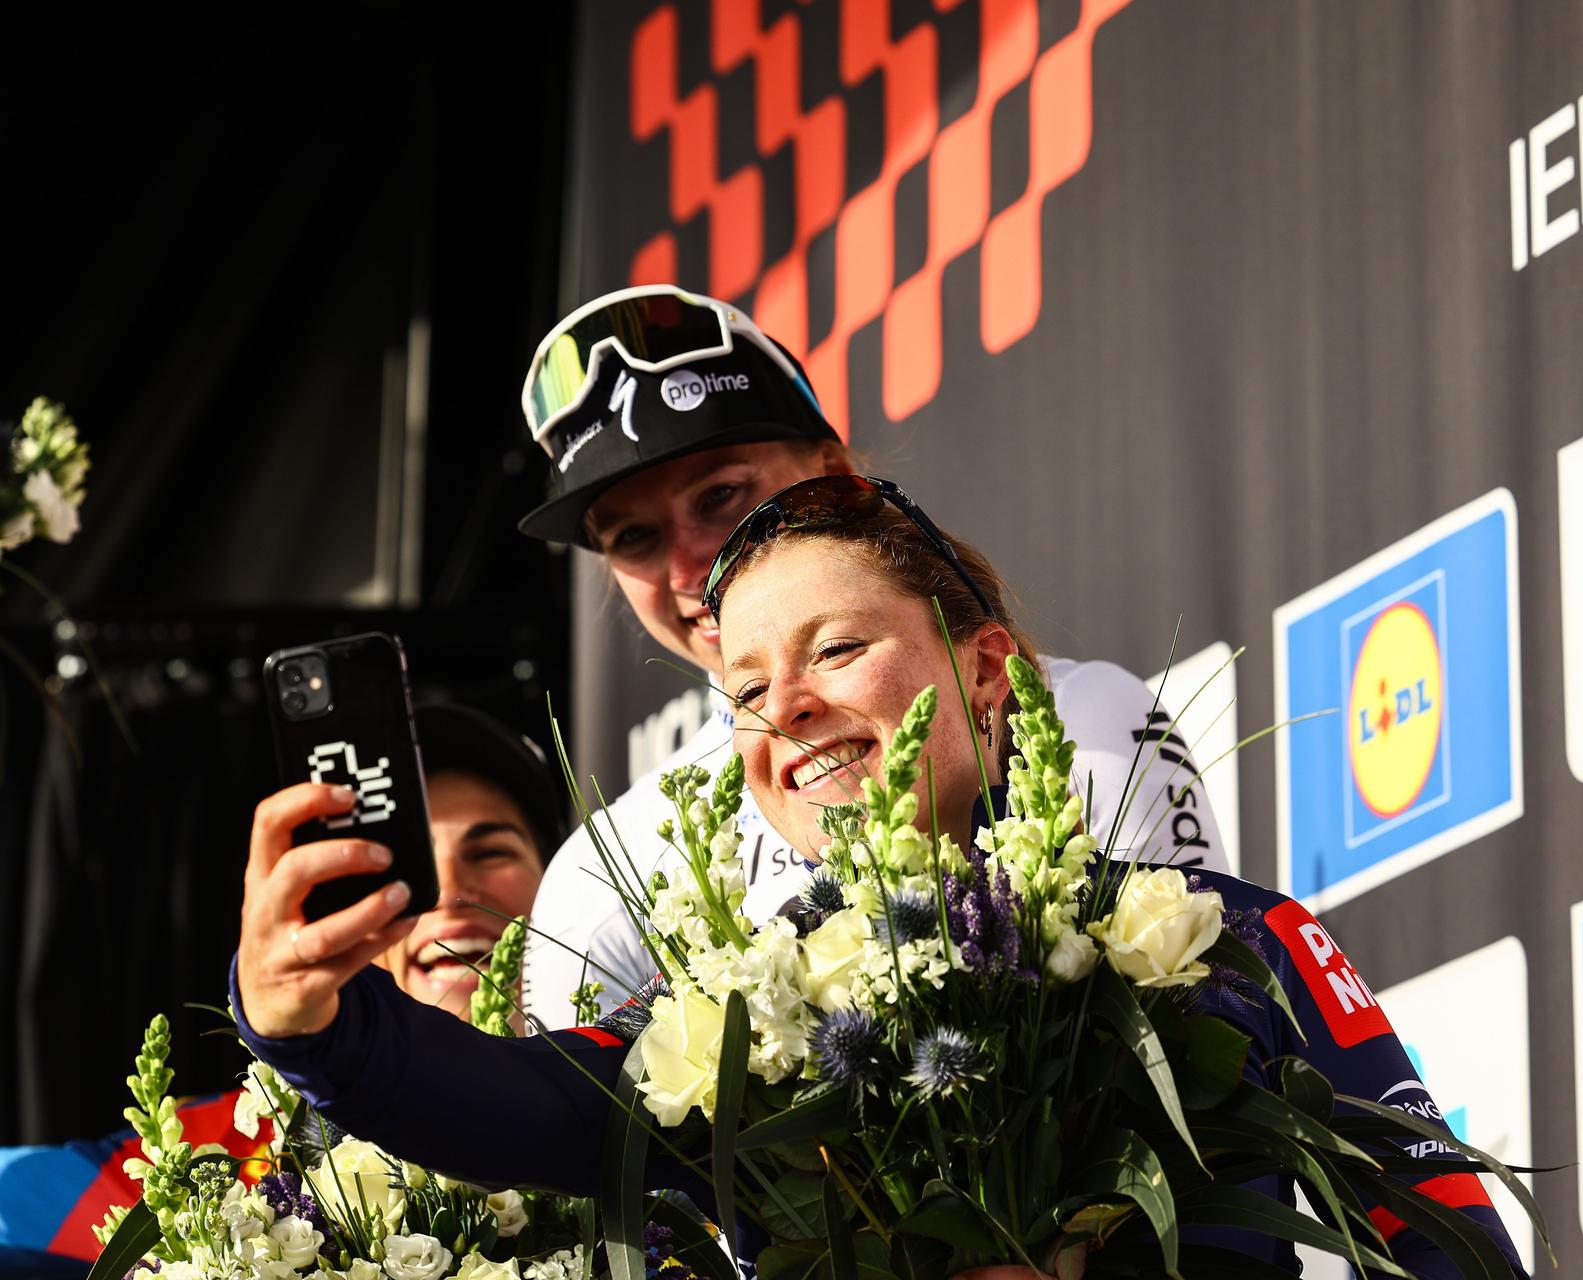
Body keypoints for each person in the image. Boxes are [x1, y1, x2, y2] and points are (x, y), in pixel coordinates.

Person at [231, 481, 1528, 1278]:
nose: (787, 709)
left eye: (837, 649)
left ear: (982, 672)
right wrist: (305, 1016)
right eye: (744, 691)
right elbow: (512, 1106)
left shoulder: (1225, 934)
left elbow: (1450, 1241)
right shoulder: (738, 1020)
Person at [513, 285, 1231, 1031]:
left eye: (720, 495)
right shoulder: (605, 870)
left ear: (833, 471)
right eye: (633, 539)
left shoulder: (1076, 716)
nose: (692, 565)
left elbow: (1200, 1023)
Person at [0, 704, 565, 1276]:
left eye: (491, 852)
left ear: (560, 883)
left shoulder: (642, 1114)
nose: (446, 890)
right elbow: (16, 1203)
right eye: (407, 862)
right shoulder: (208, 1160)